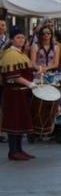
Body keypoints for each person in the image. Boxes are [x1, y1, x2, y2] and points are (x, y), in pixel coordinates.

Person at [1, 30, 36, 160]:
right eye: (18, 37)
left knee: (20, 121)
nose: (21, 40)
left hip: (21, 93)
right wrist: (29, 84)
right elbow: (13, 76)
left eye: (23, 37)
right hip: (13, 93)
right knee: (14, 121)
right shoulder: (11, 54)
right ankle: (13, 151)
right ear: (12, 39)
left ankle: (19, 149)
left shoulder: (20, 53)